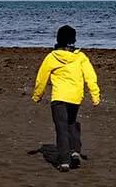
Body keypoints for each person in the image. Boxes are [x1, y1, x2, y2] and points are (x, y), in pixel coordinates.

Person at [31, 25, 101, 172]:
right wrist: (95, 95)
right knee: (71, 123)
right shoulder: (81, 57)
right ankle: (75, 151)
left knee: (61, 128)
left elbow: (41, 79)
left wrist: (37, 96)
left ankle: (64, 161)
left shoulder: (52, 57)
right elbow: (90, 77)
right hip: (75, 97)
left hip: (59, 98)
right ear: (73, 40)